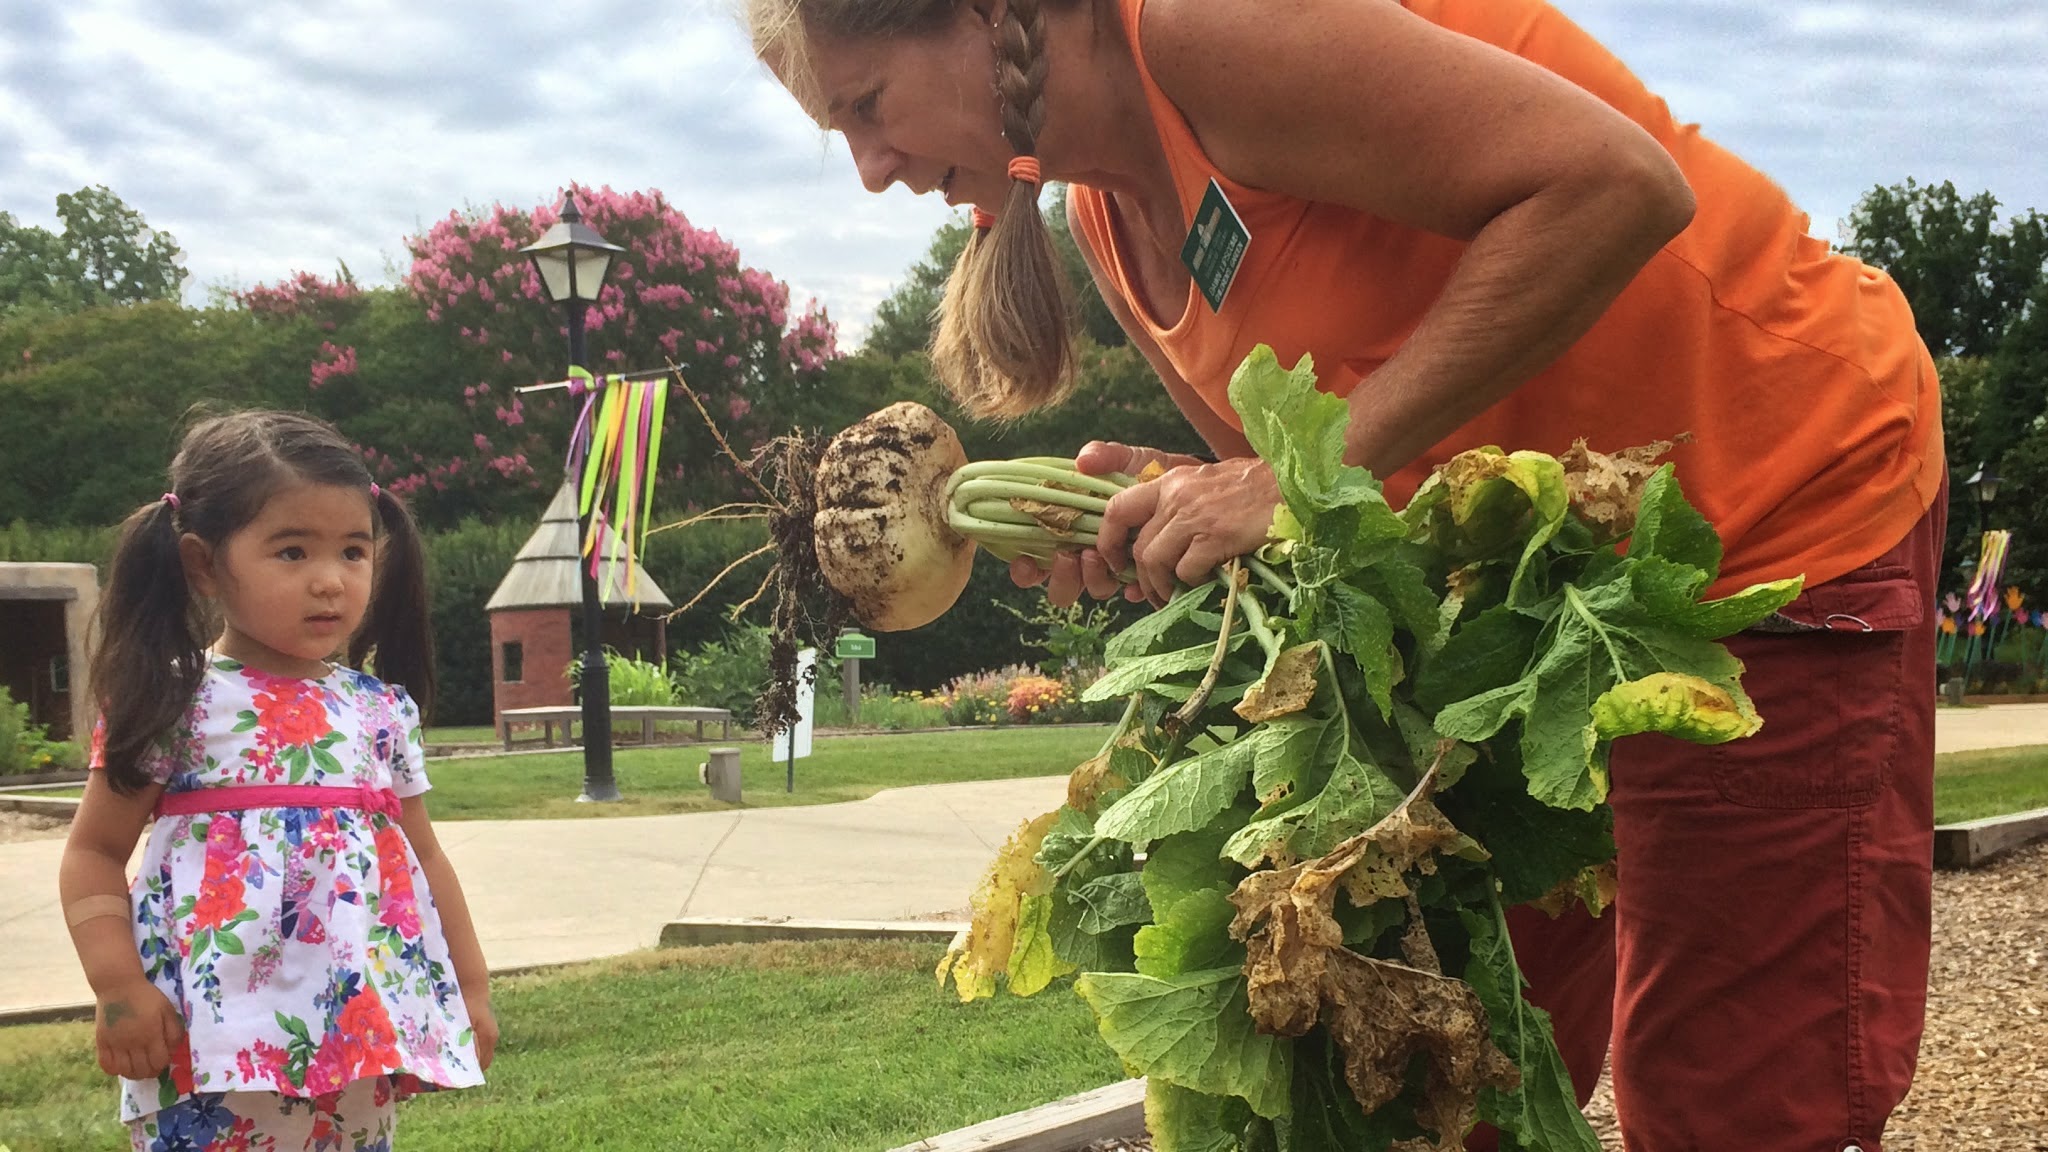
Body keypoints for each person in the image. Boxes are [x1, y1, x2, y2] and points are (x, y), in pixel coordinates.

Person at [753, 0, 1946, 1148]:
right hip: (1525, 607)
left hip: (1767, 505)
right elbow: (1312, 474)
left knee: (1732, 1104)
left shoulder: (1201, 25)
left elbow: (1614, 187)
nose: (869, 164)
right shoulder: (1116, 225)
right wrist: (1175, 502)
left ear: (976, 10)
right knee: (1437, 1077)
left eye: (865, 104)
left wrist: (1281, 478)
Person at [58, 410, 493, 1152]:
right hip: (204, 1034)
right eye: (291, 552)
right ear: (202, 564)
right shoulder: (172, 699)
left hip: (355, 1028)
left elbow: (425, 857)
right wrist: (118, 987)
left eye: (354, 552)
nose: (330, 581)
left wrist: (471, 988)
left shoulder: (378, 708)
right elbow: (93, 853)